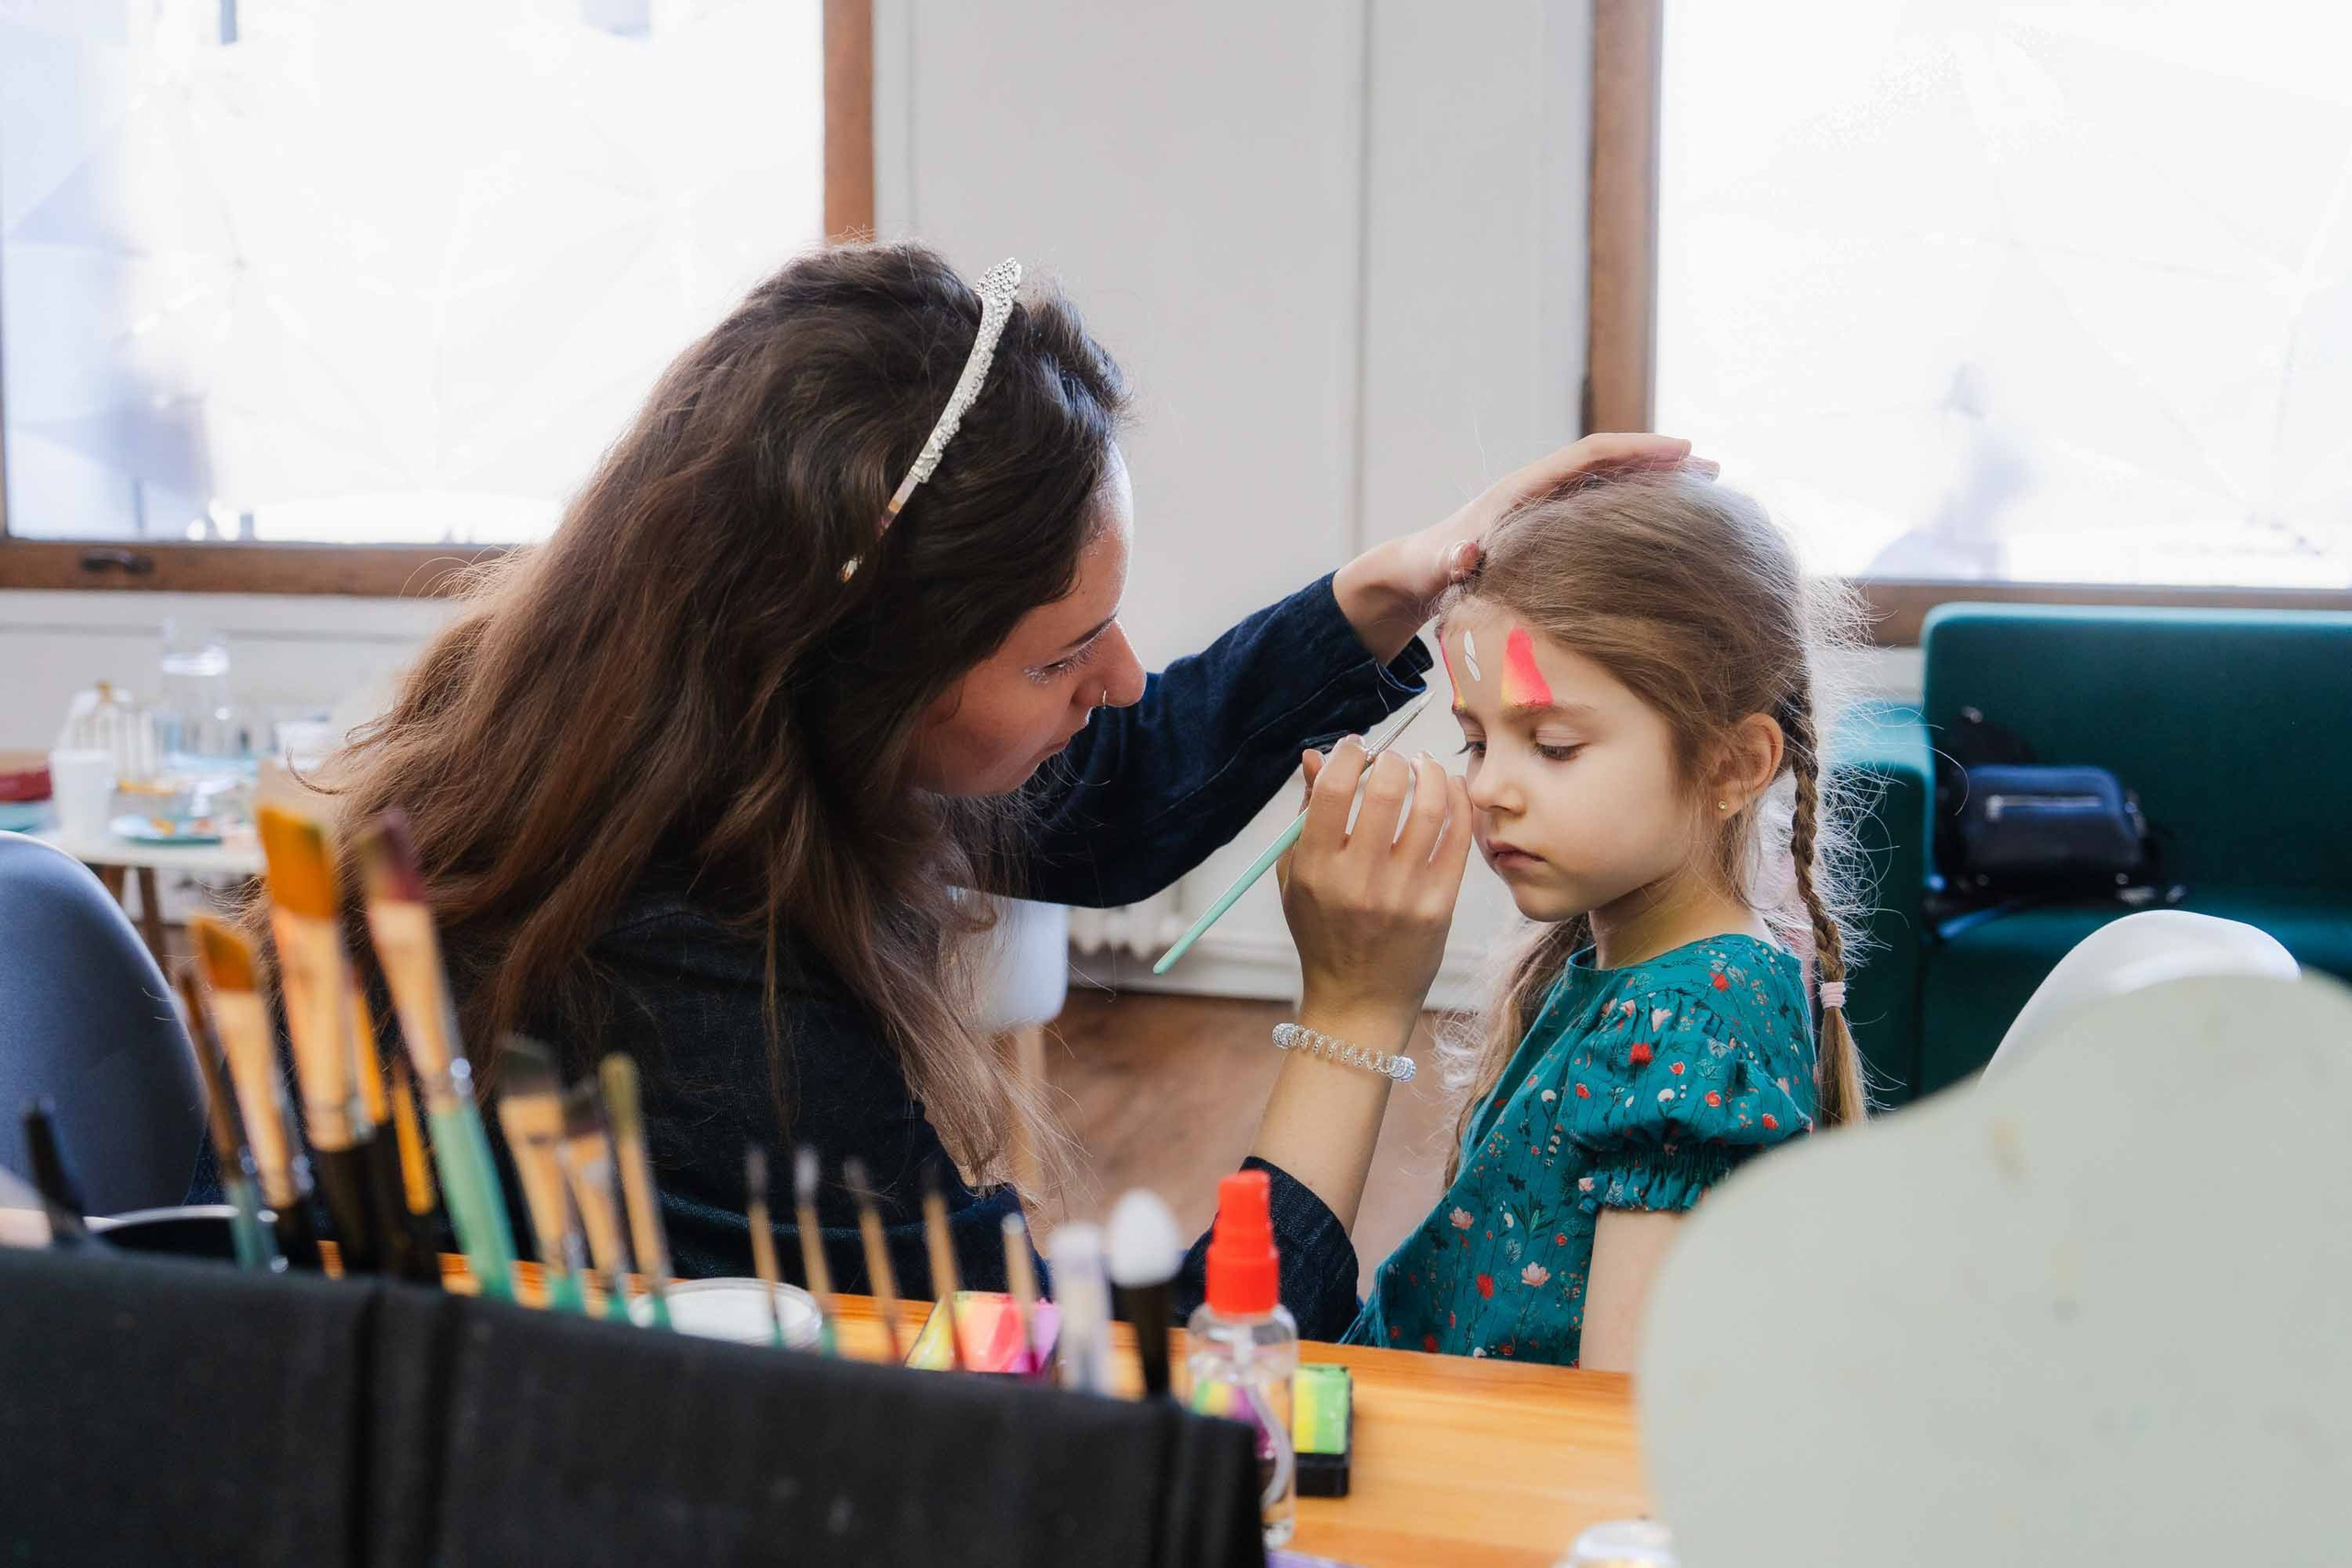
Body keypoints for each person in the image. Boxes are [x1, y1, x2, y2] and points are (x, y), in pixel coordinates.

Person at [241, 242, 1691, 1305]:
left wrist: (1377, 597)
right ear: (860, 673)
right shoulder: (685, 985)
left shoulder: (665, 731)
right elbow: (1138, 1399)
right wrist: (1352, 1015)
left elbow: (1111, 795)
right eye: (1064, 654)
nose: (1119, 680)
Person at [1249, 468, 1869, 1367]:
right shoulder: (1619, 973)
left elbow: (1611, 1428)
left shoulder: (1697, 1020)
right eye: (1475, 739)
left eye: (1552, 746)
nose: (1489, 787)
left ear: (1734, 766)